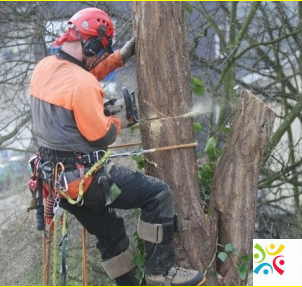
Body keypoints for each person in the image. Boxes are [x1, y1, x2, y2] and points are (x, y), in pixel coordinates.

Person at [28, 7, 206, 286]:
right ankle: (160, 271)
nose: (100, 56)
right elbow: (101, 136)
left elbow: (83, 75)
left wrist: (120, 57)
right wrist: (118, 120)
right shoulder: (82, 83)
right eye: (100, 50)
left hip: (57, 182)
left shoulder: (45, 68)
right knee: (157, 195)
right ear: (92, 43)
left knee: (111, 232)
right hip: (87, 183)